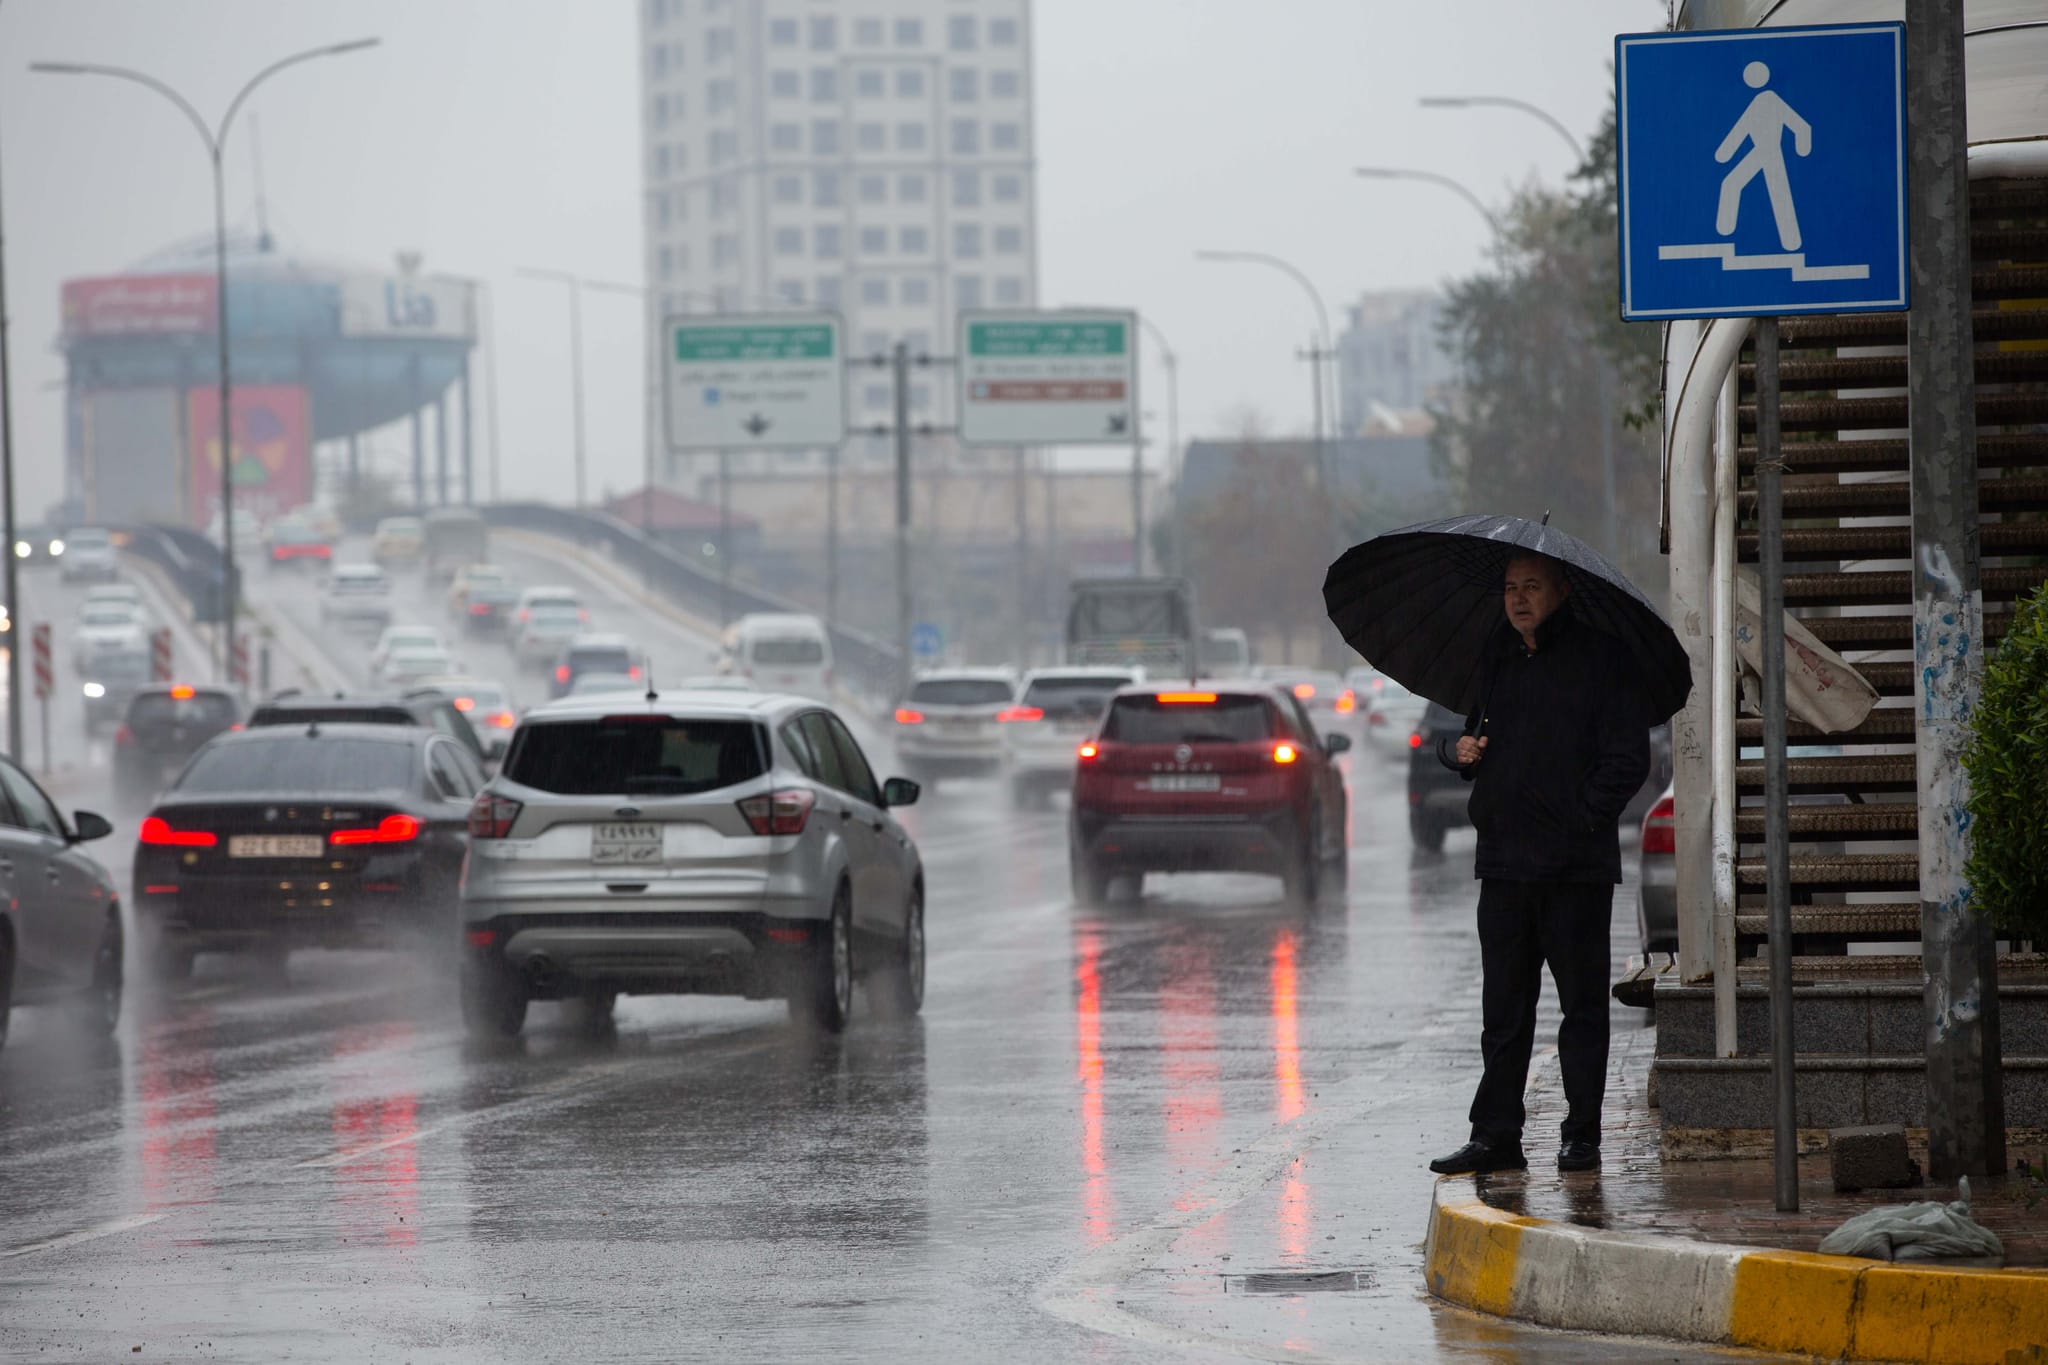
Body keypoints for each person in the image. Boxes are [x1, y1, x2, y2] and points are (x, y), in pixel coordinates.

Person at [1428, 551, 1651, 1175]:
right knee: (1504, 1009)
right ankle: (1496, 1134)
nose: (1518, 598)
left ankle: (1582, 1134)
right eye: (1509, 587)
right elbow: (1480, 737)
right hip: (1503, 864)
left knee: (1581, 1008)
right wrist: (1465, 753)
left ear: (1560, 591)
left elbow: (1627, 760)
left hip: (1574, 868)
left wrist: (1579, 818)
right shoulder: (1497, 655)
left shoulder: (1603, 661)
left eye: (1531, 586)